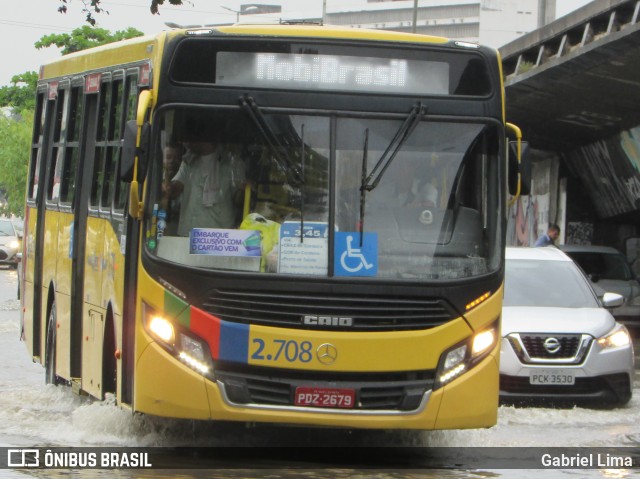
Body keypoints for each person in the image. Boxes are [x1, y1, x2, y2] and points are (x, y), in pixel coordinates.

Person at [166, 140, 245, 236]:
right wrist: (169, 188)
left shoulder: (232, 163)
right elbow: (176, 187)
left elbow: (238, 200)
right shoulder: (188, 161)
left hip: (220, 239)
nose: (188, 143)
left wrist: (244, 190)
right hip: (188, 236)